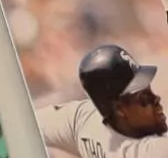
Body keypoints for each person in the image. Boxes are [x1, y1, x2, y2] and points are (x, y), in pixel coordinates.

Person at [37, 45, 168, 157]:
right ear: (120, 109)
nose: (156, 99)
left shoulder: (83, 119)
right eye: (145, 99)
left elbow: (31, 123)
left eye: (150, 91)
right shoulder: (154, 151)